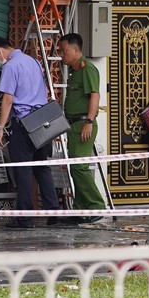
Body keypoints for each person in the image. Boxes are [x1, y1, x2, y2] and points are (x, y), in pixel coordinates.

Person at [0, 36, 60, 228]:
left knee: (23, 170)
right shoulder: (34, 61)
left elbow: (7, 99)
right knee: (42, 167)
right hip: (42, 120)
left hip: (23, 123)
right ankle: (53, 211)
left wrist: (0, 128)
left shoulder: (10, 66)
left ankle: (24, 217)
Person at [59, 33, 108, 218]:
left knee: (79, 167)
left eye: (64, 51)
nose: (61, 55)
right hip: (74, 125)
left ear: (75, 49)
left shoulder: (87, 68)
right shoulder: (75, 71)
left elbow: (95, 95)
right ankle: (80, 209)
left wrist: (89, 121)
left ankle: (96, 205)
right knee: (75, 167)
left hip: (83, 124)